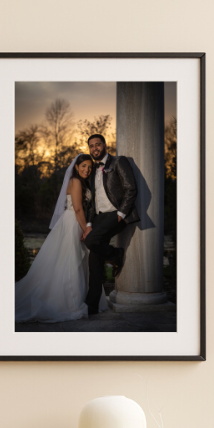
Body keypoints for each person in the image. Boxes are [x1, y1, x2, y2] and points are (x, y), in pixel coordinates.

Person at [14, 154, 107, 325]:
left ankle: (81, 298)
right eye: (83, 166)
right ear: (76, 167)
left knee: (75, 261)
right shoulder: (76, 181)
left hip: (74, 221)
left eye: (89, 167)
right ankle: (69, 302)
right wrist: (86, 228)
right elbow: (78, 209)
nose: (86, 169)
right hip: (74, 222)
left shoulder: (82, 181)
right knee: (70, 260)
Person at [84, 133, 138, 314]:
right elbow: (92, 201)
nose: (94, 148)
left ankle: (116, 254)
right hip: (99, 217)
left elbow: (131, 187)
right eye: (91, 146)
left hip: (116, 214)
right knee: (94, 261)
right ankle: (91, 306)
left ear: (105, 145)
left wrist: (121, 213)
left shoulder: (118, 162)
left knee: (91, 242)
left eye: (97, 144)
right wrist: (90, 223)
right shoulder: (92, 170)